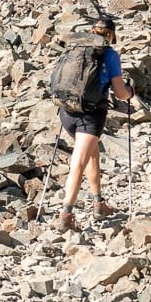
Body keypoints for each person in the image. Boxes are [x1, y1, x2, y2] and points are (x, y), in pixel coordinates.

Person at [57, 14, 134, 231]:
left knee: (93, 155)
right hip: (90, 116)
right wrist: (130, 91)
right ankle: (66, 215)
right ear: (111, 35)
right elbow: (120, 93)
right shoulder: (109, 55)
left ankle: (99, 203)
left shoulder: (75, 49)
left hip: (67, 112)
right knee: (78, 163)